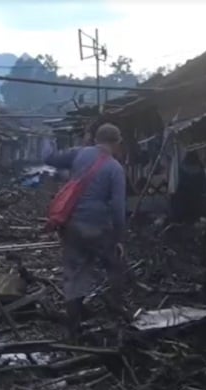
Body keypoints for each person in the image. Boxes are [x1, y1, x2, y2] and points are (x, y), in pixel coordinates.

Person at [42, 123, 128, 337]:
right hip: (99, 227)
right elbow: (118, 208)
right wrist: (119, 237)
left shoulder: (79, 154)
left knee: (74, 270)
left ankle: (73, 324)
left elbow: (50, 158)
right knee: (114, 266)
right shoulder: (115, 168)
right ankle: (117, 314)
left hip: (71, 225)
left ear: (95, 139)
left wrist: (51, 141)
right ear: (116, 143)